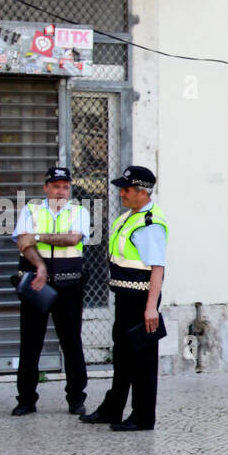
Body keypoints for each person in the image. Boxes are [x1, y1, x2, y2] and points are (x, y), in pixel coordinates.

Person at [81, 165, 167, 431]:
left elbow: (157, 268)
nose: (121, 194)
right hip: (124, 297)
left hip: (141, 300)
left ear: (142, 192)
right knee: (123, 358)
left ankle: (142, 417)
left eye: (126, 189)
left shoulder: (150, 223)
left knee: (142, 361)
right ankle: (113, 408)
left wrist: (151, 307)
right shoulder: (128, 218)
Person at [11, 164, 91, 416]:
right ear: (46, 188)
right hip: (37, 283)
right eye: (56, 186)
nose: (61, 192)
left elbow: (73, 238)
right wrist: (40, 266)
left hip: (69, 285)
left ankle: (76, 399)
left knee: (71, 342)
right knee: (30, 343)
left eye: (65, 187)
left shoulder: (79, 211)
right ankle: (26, 399)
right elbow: (23, 242)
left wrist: (38, 236)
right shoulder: (30, 209)